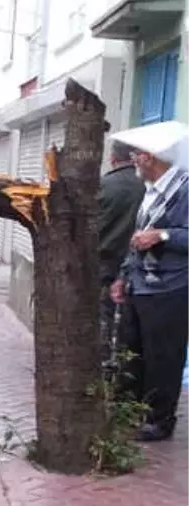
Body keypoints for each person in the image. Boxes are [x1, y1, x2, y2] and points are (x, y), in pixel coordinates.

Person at [111, 138, 189, 442]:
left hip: (171, 287)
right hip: (139, 284)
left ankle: (159, 420)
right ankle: (132, 411)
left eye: (136, 156)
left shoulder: (183, 189)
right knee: (132, 351)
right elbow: (137, 238)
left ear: (149, 158)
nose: (132, 162)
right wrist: (123, 276)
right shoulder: (150, 193)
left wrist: (163, 235)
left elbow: (168, 234)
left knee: (163, 356)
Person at [98, 141, 145, 365]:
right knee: (130, 320)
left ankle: (104, 365)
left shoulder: (103, 185)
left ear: (113, 158)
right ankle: (127, 365)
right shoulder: (147, 186)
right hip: (140, 264)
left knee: (103, 316)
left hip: (103, 263)